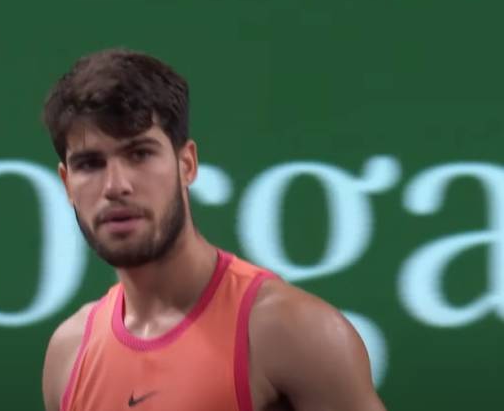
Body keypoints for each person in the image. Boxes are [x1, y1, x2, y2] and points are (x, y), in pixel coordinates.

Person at [40, 48, 386, 411]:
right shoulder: (68, 354)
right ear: (66, 184)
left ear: (187, 165)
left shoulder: (290, 331)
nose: (115, 185)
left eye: (139, 154)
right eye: (90, 164)